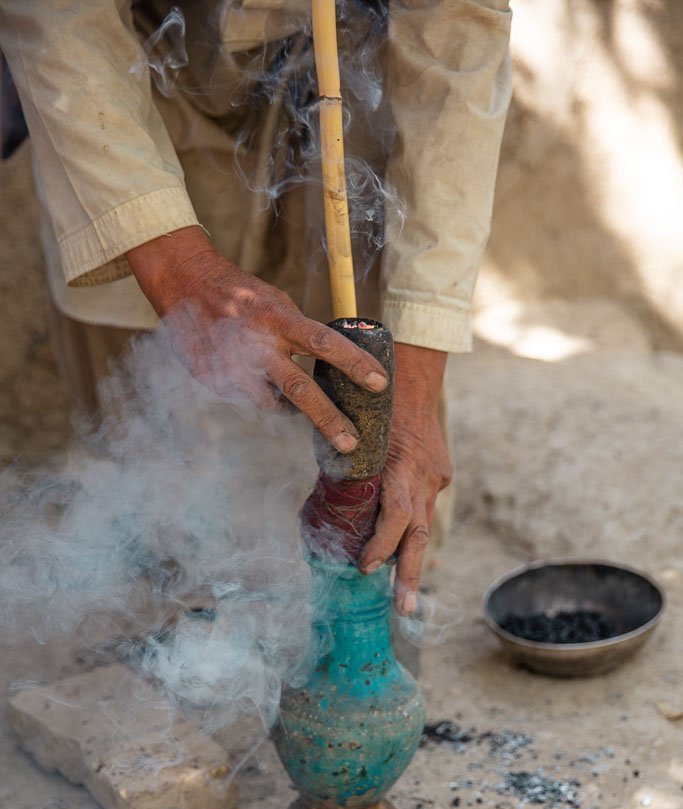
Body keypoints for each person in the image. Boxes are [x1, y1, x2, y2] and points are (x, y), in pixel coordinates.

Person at [0, 0, 512, 614]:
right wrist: (176, 267)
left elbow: (456, 37)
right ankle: (171, 627)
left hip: (358, 74)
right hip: (138, 73)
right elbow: (57, 19)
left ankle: (364, 615)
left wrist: (420, 375)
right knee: (151, 443)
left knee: (384, 419)